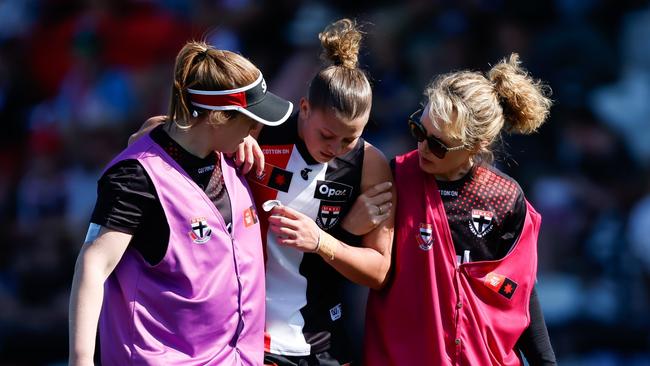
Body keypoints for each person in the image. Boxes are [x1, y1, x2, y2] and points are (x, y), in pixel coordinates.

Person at [68, 40, 293, 366]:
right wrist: (81, 360)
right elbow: (92, 265)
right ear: (217, 118)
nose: (257, 129)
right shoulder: (136, 176)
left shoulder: (228, 154)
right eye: (250, 119)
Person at [363, 54, 557, 365]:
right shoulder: (397, 177)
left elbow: (521, 294)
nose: (423, 148)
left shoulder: (504, 197)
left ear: (477, 145)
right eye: (418, 131)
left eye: (439, 144)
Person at [248, 19, 395, 366]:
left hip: (323, 340)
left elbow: (378, 271)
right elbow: (178, 132)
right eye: (327, 135)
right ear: (304, 108)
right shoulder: (260, 128)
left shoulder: (369, 163)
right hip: (248, 334)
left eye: (350, 138)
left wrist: (322, 240)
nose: (336, 148)